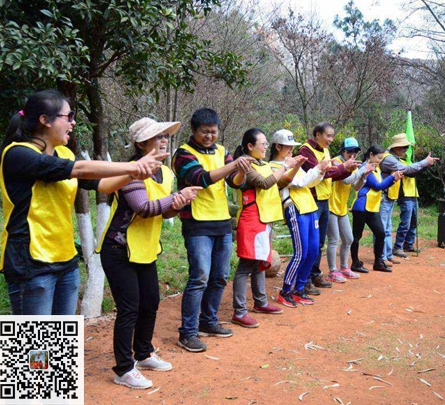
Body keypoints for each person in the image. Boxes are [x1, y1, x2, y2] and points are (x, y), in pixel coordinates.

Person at [0, 90, 165, 317]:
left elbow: (104, 186)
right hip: (30, 262)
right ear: (45, 120)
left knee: (62, 337)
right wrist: (134, 165)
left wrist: (134, 174)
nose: (73, 122)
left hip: (65, 259)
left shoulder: (64, 153)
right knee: (35, 338)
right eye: (68, 116)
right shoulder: (18, 154)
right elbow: (81, 169)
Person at [97, 117, 200, 389]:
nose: (164, 140)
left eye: (165, 136)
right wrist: (176, 197)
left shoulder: (165, 173)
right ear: (142, 144)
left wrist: (178, 203)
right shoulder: (130, 171)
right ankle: (124, 368)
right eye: (157, 136)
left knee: (150, 302)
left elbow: (164, 212)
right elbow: (144, 208)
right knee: (129, 309)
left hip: (146, 249)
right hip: (119, 249)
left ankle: (143, 354)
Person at [172, 108, 250, 353]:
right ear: (193, 130)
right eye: (204, 132)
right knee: (199, 278)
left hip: (222, 221)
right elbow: (201, 178)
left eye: (213, 132)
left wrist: (241, 171)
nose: (209, 136)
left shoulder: (222, 151)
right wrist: (234, 164)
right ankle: (188, 332)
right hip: (197, 223)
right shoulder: (183, 154)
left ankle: (208, 321)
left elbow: (234, 182)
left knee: (220, 276)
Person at [231, 128, 304, 328]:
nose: (265, 147)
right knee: (246, 264)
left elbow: (279, 183)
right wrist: (285, 165)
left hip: (265, 218)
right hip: (251, 219)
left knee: (260, 262)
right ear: (250, 146)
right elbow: (264, 183)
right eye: (262, 143)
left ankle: (260, 302)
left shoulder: (263, 164)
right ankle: (239, 311)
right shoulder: (246, 165)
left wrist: (294, 167)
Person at [269, 129, 328, 307]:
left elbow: (309, 182)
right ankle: (286, 290)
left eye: (292, 146)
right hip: (295, 208)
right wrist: (316, 168)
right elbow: (298, 182)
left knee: (313, 251)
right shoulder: (274, 166)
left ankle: (299, 289)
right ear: (277, 146)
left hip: (310, 207)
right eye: (288, 146)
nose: (291, 149)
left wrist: (320, 172)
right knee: (300, 253)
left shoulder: (294, 162)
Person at [297, 123, 358, 294]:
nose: (331, 139)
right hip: (312, 201)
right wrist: (343, 167)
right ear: (317, 134)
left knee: (319, 242)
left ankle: (315, 273)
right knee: (311, 242)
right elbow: (323, 173)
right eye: (328, 135)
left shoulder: (325, 150)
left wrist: (347, 170)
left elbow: (332, 174)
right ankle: (305, 279)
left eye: (332, 136)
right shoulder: (306, 150)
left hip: (325, 200)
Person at [378, 133, 437, 264]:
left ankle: (388, 255)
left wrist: (425, 164)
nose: (406, 149)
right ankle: (382, 257)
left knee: (388, 228)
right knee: (383, 228)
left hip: (390, 196)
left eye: (407, 147)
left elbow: (411, 170)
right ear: (395, 147)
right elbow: (407, 170)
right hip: (384, 196)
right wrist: (424, 162)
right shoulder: (389, 159)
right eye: (403, 146)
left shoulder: (396, 159)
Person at [326, 138, 375, 279]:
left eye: (355, 151)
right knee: (333, 240)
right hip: (331, 205)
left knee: (348, 239)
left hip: (342, 207)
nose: (352, 154)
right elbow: (346, 179)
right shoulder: (336, 161)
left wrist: (364, 176)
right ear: (343, 151)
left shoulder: (353, 165)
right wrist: (362, 170)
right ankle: (332, 271)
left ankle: (344, 268)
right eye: (349, 151)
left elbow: (356, 187)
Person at [350, 145, 403, 273]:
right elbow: (377, 186)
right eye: (379, 158)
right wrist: (392, 177)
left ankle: (378, 262)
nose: (380, 160)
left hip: (373, 207)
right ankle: (355, 263)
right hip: (361, 207)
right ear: (371, 155)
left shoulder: (376, 168)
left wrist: (393, 179)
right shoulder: (365, 167)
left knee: (380, 233)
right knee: (356, 236)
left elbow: (381, 185)